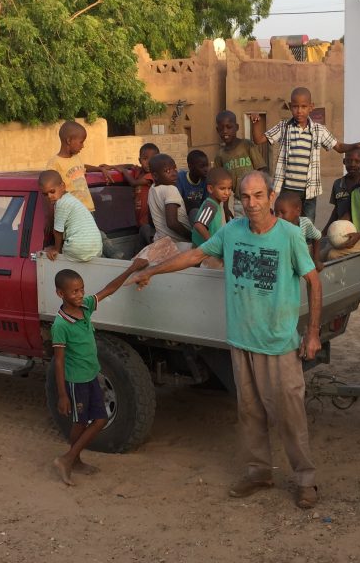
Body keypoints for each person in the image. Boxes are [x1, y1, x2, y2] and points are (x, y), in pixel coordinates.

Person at [130, 171, 323, 510]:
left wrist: (312, 332)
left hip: (278, 342)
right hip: (241, 340)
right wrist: (151, 271)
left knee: (289, 415)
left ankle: (306, 480)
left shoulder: (290, 236)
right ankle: (258, 472)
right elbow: (194, 255)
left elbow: (313, 281)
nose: (251, 204)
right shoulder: (231, 231)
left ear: (270, 196)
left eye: (258, 196)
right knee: (249, 412)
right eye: (245, 197)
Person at [51, 259, 149, 485]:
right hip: (75, 382)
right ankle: (70, 460)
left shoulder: (85, 306)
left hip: (92, 375)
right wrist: (63, 395)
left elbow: (109, 289)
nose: (79, 294)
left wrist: (131, 269)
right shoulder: (60, 325)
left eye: (82, 289)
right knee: (80, 422)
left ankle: (70, 459)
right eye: (74, 291)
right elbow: (58, 362)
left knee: (100, 419)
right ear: (60, 294)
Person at [249, 87, 360, 222]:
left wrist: (356, 145)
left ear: (311, 107)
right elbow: (258, 140)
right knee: (285, 222)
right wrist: (256, 123)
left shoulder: (319, 130)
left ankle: (306, 244)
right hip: (288, 189)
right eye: (295, 106)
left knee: (307, 224)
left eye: (303, 106)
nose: (299, 110)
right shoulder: (283, 127)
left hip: (309, 191)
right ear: (290, 107)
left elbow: (338, 147)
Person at [214, 110, 268, 218]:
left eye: (229, 127)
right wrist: (225, 207)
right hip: (239, 201)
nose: (225, 131)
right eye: (221, 128)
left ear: (237, 127)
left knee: (258, 227)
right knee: (242, 230)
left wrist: (263, 196)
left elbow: (261, 170)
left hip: (255, 197)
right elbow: (223, 185)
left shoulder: (247, 146)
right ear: (217, 130)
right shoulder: (220, 155)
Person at [39, 170, 102, 262]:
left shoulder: (62, 203)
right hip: (96, 249)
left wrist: (56, 249)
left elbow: (58, 231)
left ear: (63, 186)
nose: (49, 196)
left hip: (79, 249)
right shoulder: (71, 199)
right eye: (45, 194)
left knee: (47, 251)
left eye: (52, 191)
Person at [147, 153, 192, 247]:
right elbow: (172, 223)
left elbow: (150, 219)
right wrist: (192, 237)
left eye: (175, 169)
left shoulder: (152, 190)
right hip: (178, 243)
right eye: (167, 171)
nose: (174, 174)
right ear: (155, 176)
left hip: (160, 241)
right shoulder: (171, 189)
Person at [274, 190, 323, 271]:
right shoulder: (275, 225)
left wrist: (316, 259)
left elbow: (317, 237)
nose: (278, 217)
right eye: (276, 212)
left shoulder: (305, 223)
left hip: (301, 265)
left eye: (283, 212)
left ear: (298, 211)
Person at [324, 147, 360, 234]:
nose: (352, 164)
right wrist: (325, 231)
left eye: (357, 161)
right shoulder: (337, 184)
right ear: (344, 161)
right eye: (349, 161)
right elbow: (336, 210)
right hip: (341, 231)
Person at [191, 168, 235, 247]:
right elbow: (199, 225)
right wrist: (212, 243)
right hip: (202, 249)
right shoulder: (211, 206)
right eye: (222, 188)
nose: (227, 193)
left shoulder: (215, 204)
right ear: (210, 189)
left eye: (229, 188)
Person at [177, 149, 210, 218]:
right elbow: (178, 203)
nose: (206, 169)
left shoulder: (206, 180)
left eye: (207, 165)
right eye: (202, 166)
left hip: (198, 216)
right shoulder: (180, 178)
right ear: (190, 166)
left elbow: (206, 203)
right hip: (183, 216)